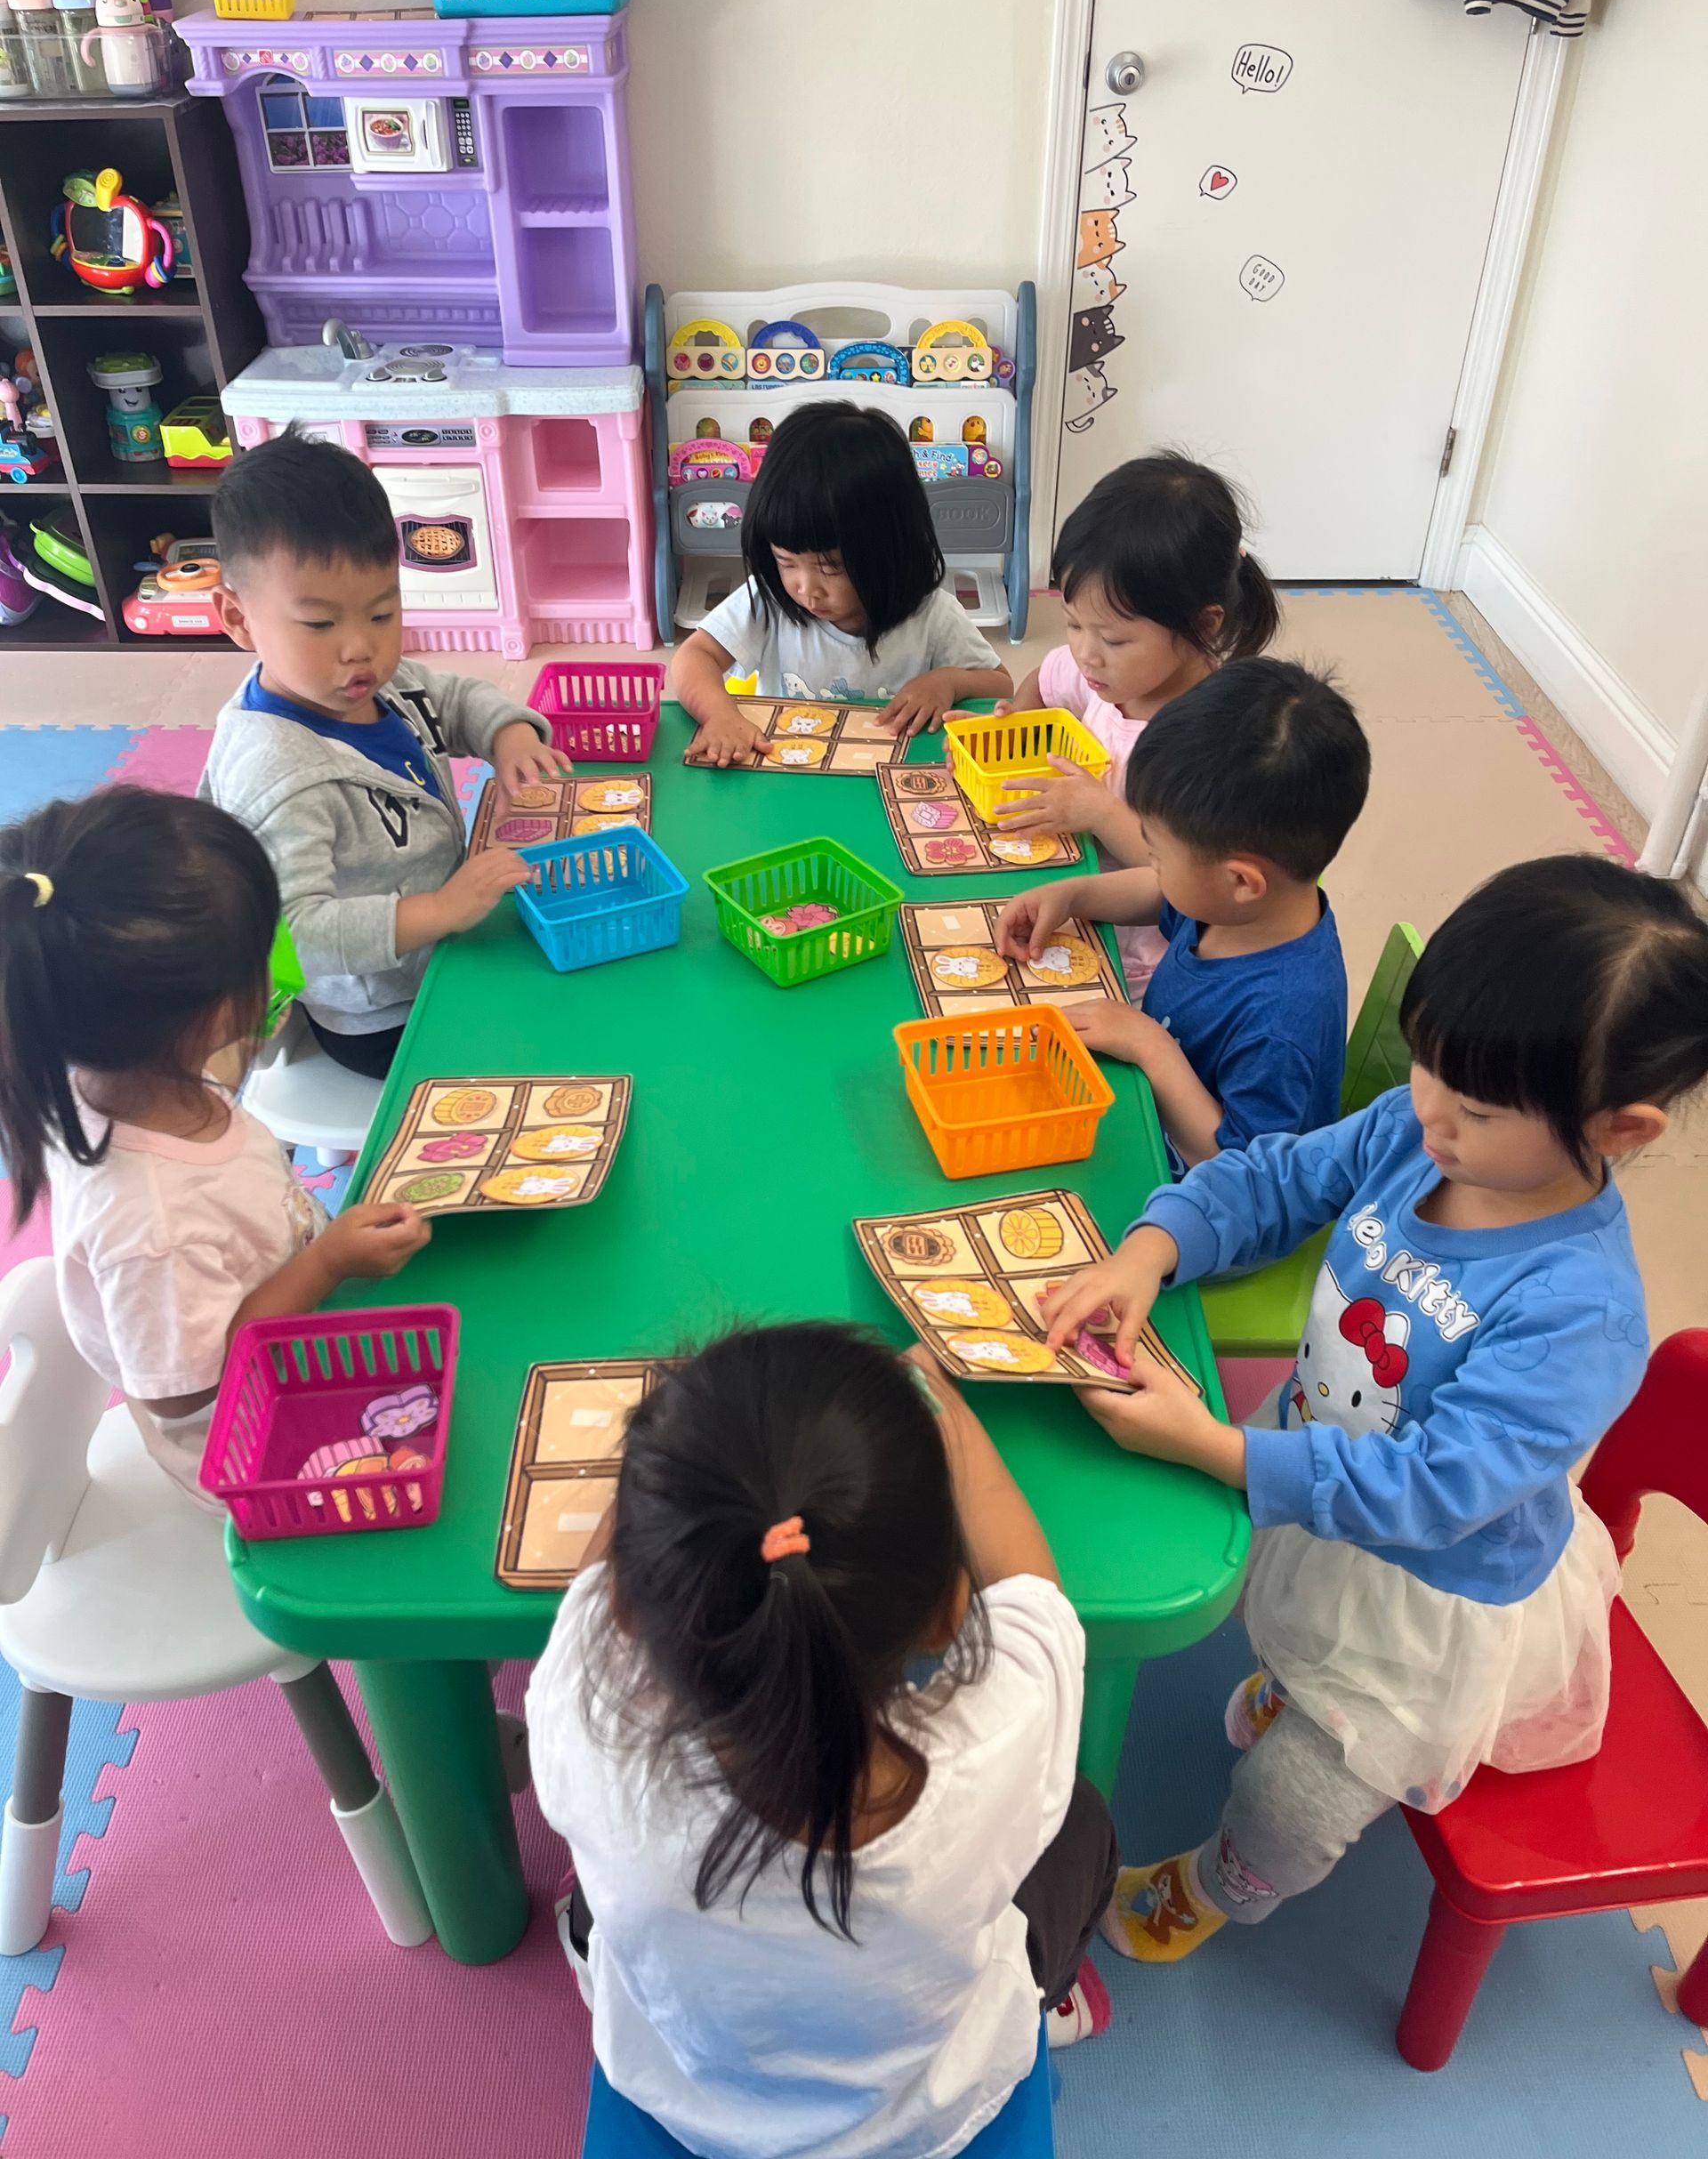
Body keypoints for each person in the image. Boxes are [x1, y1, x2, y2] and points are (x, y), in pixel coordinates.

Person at [1037, 854, 1708, 1961]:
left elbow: (1435, 1493)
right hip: (1322, 1486)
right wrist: (1150, 1249)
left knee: (1293, 1795)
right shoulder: (1418, 1123)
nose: (1431, 1114)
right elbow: (1274, 1178)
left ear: (1620, 1129)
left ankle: (1225, 1881)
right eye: (1432, 1068)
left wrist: (1214, 1446)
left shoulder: (1577, 1309)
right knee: (1274, 1612)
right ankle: (1292, 1682)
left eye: (1477, 1107)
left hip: (1430, 1599)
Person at [527, 1325, 1119, 2159]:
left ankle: (588, 1936)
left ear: (629, 1612)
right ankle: (1051, 2001)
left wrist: (679, 1433)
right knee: (1080, 1819)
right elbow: (1032, 1596)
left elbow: (609, 1579)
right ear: (947, 1614)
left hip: (688, 2105)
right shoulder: (997, 1747)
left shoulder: (587, 1726)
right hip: (933, 2115)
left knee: (606, 1874)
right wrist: (935, 1399)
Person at [0, 787, 431, 1505]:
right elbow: (190, 1394)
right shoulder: (153, 1228)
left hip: (302, 1327)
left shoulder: (118, 1074)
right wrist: (327, 1263)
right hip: (254, 1448)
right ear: (216, 1009)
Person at [199, 426, 567, 1079]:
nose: (358, 647)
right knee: (552, 1032)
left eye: (382, 612)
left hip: (445, 946)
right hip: (381, 1016)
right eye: (320, 623)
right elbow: (294, 934)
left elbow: (454, 700)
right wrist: (438, 911)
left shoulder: (372, 683)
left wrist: (507, 733)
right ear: (236, 617)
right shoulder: (280, 771)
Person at [996, 657, 1369, 1170]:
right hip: (1152, 1107)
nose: (1150, 863)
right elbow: (1160, 892)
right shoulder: (1244, 909)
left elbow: (1243, 1172)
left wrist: (1150, 1047)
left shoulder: (1283, 1021)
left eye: (1157, 853)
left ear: (1241, 881)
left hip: (1209, 1199)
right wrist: (1074, 894)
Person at [994, 455, 1279, 995]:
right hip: (1065, 904)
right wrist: (1009, 731)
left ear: (1201, 624)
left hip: (1141, 968)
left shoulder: (1213, 739)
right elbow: (1041, 680)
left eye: (1115, 639)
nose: (1086, 654)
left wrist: (1098, 812)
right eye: (1074, 623)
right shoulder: (1102, 675)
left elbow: (1182, 876)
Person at [673, 403, 1012, 762]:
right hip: (787, 781)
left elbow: (1000, 683)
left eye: (830, 567)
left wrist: (950, 681)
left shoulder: (932, 615)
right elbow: (694, 657)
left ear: (890, 549)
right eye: (785, 561)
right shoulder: (769, 599)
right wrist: (720, 714)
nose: (806, 587)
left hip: (889, 783)